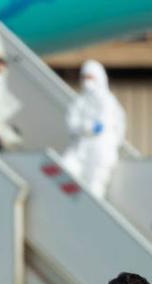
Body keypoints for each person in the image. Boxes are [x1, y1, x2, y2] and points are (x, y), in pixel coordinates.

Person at [60, 60, 126, 199]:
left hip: (100, 147)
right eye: (84, 77)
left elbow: (102, 125)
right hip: (81, 146)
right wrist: (85, 127)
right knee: (66, 169)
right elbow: (72, 122)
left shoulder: (107, 100)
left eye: (90, 77)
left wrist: (86, 127)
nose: (86, 81)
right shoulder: (80, 101)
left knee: (95, 183)